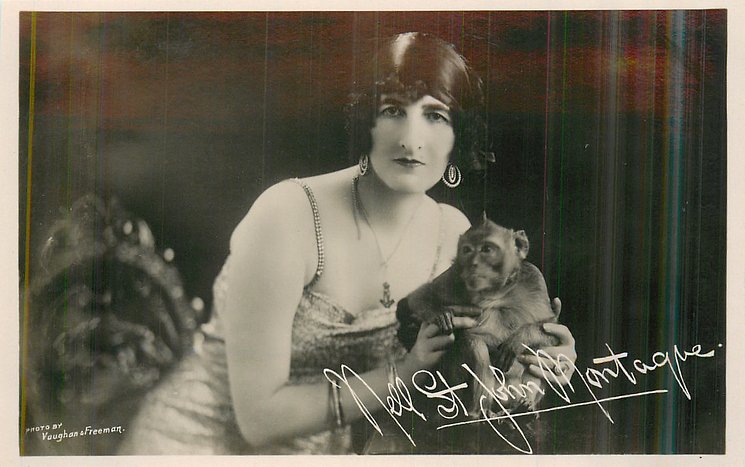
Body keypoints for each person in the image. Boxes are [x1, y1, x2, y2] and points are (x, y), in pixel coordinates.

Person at [118, 31, 577, 455]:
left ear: (459, 139)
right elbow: (257, 419)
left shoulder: (453, 234)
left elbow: (477, 375)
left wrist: (538, 360)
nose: (411, 138)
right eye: (392, 110)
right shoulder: (289, 214)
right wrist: (405, 373)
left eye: (435, 115)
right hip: (195, 445)